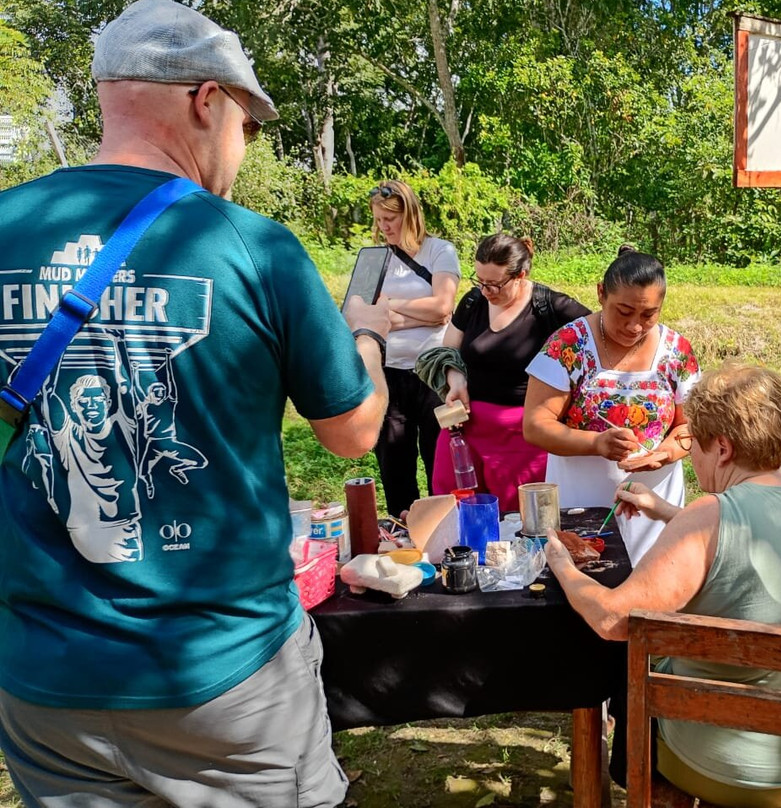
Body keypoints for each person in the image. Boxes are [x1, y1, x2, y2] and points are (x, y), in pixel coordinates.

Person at [0, 2, 389, 805]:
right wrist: (371, 347)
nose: (241, 149)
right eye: (245, 123)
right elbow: (353, 434)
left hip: (44, 676)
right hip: (227, 675)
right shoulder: (254, 245)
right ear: (205, 101)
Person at [544, 364, 781, 807]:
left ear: (722, 448)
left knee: (637, 674)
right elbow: (758, 548)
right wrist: (669, 513)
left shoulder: (710, 517)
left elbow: (612, 618)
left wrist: (562, 565)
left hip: (734, 764)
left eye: (694, 446)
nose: (692, 459)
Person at [523, 246, 699, 565]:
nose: (634, 326)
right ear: (601, 294)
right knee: (588, 580)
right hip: (583, 503)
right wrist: (596, 443)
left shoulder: (676, 351)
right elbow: (535, 425)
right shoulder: (569, 345)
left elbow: (692, 426)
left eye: (648, 315)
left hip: (657, 505)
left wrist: (665, 453)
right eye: (624, 311)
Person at [425, 233, 589, 512]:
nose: (487, 291)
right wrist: (456, 379)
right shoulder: (474, 301)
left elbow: (598, 337)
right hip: (466, 431)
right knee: (457, 510)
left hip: (523, 438)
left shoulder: (550, 306)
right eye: (481, 282)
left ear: (520, 275)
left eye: (495, 285)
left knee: (522, 518)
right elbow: (446, 352)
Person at [369, 179, 461, 518]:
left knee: (442, 462)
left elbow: (442, 307)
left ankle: (446, 537)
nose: (384, 227)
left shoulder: (440, 251)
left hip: (434, 375)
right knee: (395, 466)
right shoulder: (374, 259)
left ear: (410, 215)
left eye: (390, 219)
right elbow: (362, 313)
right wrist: (416, 313)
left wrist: (391, 305)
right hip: (388, 374)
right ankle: (403, 540)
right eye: (379, 220)